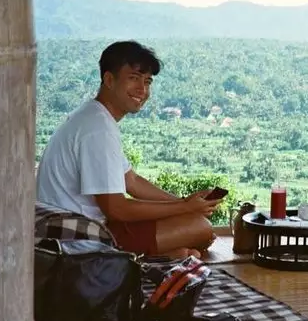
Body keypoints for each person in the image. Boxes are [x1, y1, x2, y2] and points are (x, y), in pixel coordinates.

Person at [37, 40, 218, 259]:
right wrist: (186, 209)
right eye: (133, 78)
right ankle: (150, 260)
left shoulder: (95, 117)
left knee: (193, 225)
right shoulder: (97, 128)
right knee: (201, 228)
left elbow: (131, 181)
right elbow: (116, 209)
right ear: (109, 79)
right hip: (81, 242)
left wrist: (183, 202)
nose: (142, 89)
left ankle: (161, 257)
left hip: (80, 230)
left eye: (147, 81)